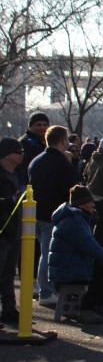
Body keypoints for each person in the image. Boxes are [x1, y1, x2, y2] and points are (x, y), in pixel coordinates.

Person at [48, 185, 103, 324]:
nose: (93, 205)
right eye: (90, 202)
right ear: (81, 204)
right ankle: (85, 308)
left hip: (73, 264)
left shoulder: (78, 218)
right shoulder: (72, 222)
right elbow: (91, 247)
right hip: (67, 270)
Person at [28, 125, 80, 307]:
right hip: (52, 214)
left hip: (35, 213)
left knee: (44, 252)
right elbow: (71, 189)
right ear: (63, 141)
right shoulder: (61, 163)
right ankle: (46, 291)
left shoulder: (36, 161)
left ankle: (43, 288)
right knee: (49, 254)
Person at [0, 138, 25, 326]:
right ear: (7, 155)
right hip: (2, 231)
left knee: (9, 273)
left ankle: (9, 310)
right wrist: (9, 201)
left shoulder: (16, 175)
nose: (22, 155)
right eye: (19, 151)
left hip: (14, 231)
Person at [16, 112, 49, 185]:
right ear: (30, 126)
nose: (42, 128)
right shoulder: (24, 142)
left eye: (45, 125)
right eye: (38, 125)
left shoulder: (46, 142)